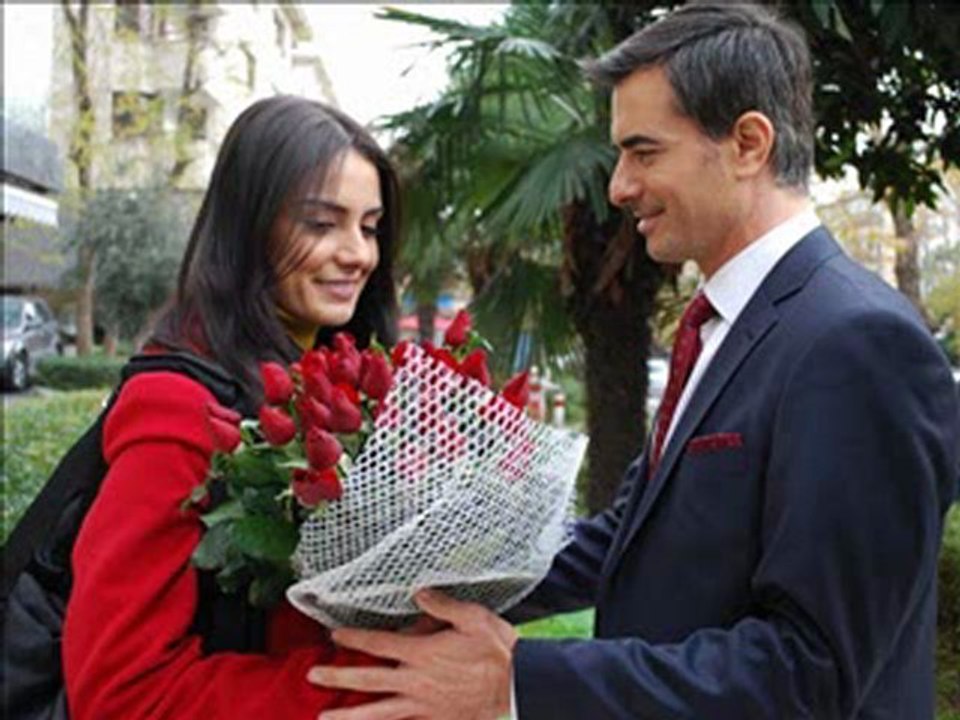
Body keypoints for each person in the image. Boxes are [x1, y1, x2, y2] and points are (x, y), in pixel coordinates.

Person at [307, 4, 960, 719]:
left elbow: (811, 671)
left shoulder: (858, 342)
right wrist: (414, 577)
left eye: (644, 153)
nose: (617, 186)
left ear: (748, 144)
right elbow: (628, 537)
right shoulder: (721, 324)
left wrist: (517, 681)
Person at [62, 96, 399, 719]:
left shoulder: (337, 382)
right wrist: (375, 687)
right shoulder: (178, 409)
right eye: (321, 224)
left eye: (370, 227)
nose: (358, 254)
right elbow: (120, 695)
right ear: (249, 228)